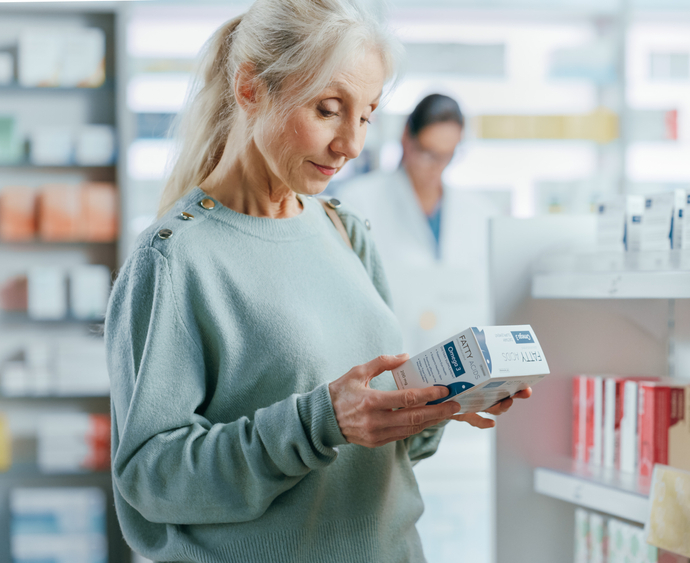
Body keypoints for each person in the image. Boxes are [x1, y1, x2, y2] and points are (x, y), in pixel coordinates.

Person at [104, 1, 529, 562]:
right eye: (329, 109)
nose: (351, 144)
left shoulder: (344, 230)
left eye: (367, 115)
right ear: (251, 89)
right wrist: (318, 422)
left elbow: (370, 441)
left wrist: (436, 403)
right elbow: (150, 480)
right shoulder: (175, 259)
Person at [334, 94, 507, 355]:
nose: (435, 166)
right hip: (388, 364)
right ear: (407, 138)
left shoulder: (479, 213)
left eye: (446, 156)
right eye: (427, 153)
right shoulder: (359, 201)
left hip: (461, 367)